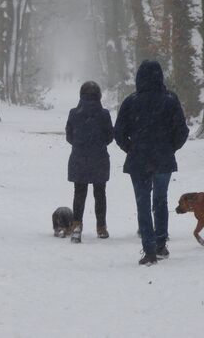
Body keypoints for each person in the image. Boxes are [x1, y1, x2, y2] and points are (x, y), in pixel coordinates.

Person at [114, 60, 189, 265]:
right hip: (163, 158)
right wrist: (169, 147)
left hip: (139, 159)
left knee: (143, 203)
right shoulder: (170, 100)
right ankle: (161, 243)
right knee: (161, 200)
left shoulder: (131, 101)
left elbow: (118, 132)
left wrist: (131, 148)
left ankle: (149, 250)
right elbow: (182, 131)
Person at [65, 81, 114, 243]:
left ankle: (77, 225)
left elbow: (69, 136)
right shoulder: (104, 114)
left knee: (79, 192)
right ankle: (101, 227)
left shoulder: (74, 113)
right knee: (100, 193)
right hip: (99, 158)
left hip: (79, 158)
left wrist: (80, 145)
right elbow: (109, 137)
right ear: (99, 95)